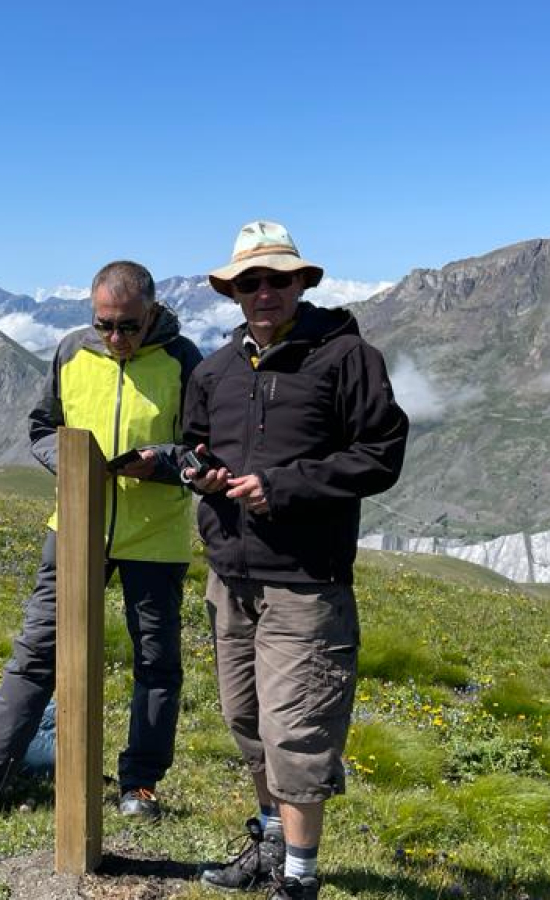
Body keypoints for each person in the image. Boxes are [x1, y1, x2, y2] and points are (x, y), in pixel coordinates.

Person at [0, 260, 203, 827]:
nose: (115, 338)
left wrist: (164, 462)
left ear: (151, 312)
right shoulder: (72, 352)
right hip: (74, 525)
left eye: (127, 326)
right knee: (37, 653)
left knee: (156, 662)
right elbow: (42, 427)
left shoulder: (183, 360)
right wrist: (72, 465)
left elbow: (205, 448)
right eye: (104, 324)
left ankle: (141, 783)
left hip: (155, 535)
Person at [183, 222, 408, 900]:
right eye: (249, 282)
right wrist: (202, 476)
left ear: (302, 283)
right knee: (249, 724)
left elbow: (380, 455)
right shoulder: (214, 371)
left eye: (276, 280)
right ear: (233, 292)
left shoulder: (346, 359)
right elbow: (194, 445)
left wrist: (281, 488)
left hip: (305, 584)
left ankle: (300, 881)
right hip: (232, 577)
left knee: (298, 733)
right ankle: (269, 848)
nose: (263, 293)